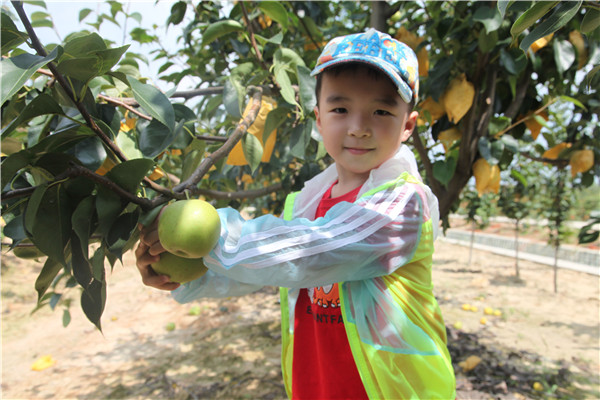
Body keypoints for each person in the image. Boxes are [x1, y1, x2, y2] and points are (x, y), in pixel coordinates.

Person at [136, 28, 456, 399]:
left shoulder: (402, 205)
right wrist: (186, 271)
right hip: (315, 386)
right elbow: (270, 268)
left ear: (408, 126)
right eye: (340, 109)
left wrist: (213, 234)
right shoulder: (306, 203)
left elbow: (315, 252)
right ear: (319, 119)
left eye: (381, 111)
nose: (358, 127)